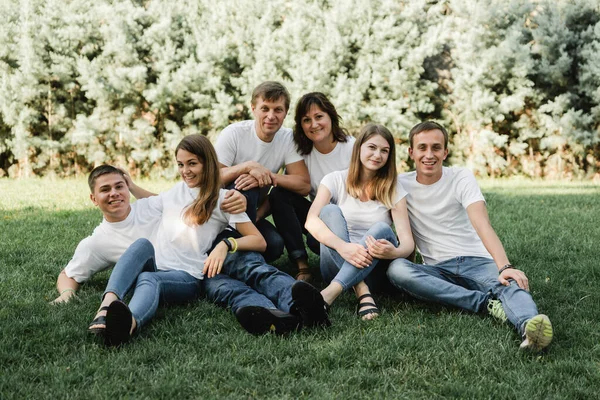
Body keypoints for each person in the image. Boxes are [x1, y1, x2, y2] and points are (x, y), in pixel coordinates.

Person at [87, 135, 329, 346]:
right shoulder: (175, 192)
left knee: (151, 278)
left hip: (189, 274)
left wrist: (227, 244)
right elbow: (155, 199)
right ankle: (108, 304)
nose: (185, 171)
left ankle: (130, 323)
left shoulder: (223, 199)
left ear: (207, 163)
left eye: (192, 163)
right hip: (166, 266)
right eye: (181, 164)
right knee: (142, 247)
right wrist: (130, 186)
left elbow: (258, 241)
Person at [386, 121, 553, 351]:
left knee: (509, 282)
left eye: (436, 147)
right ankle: (485, 304)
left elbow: (482, 223)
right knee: (397, 270)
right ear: (411, 152)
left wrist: (504, 266)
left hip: (476, 260)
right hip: (437, 269)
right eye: (422, 148)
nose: (429, 154)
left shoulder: (460, 177)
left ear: (445, 151)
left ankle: (530, 328)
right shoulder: (400, 184)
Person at [51, 166, 246, 305]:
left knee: (237, 282)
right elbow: (68, 274)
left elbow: (188, 197)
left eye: (119, 186)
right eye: (105, 190)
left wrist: (235, 196)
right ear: (93, 199)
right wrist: (67, 294)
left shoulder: (149, 207)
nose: (114, 193)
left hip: (194, 264)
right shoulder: (97, 242)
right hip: (156, 278)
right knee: (142, 249)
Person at [305, 124, 415, 320]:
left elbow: (407, 242)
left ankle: (328, 295)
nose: (377, 155)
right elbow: (310, 221)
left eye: (384, 151)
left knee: (381, 228)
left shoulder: (393, 188)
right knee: (329, 211)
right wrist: (343, 247)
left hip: (374, 268)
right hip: (335, 264)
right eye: (372, 147)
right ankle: (362, 292)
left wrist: (395, 252)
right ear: (359, 148)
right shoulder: (334, 180)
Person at [214, 81, 311, 262]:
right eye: (265, 108)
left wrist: (267, 176)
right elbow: (211, 180)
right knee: (246, 180)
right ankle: (236, 248)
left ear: (286, 113)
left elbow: (303, 185)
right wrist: (248, 167)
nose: (271, 116)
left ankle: (240, 247)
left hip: (249, 216)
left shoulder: (287, 138)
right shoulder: (234, 133)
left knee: (274, 245)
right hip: (219, 210)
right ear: (253, 109)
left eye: (278, 110)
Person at [269, 92, 355, 282]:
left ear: (331, 117)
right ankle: (302, 265)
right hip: (318, 219)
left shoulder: (352, 148)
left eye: (319, 117)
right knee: (280, 193)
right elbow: (284, 192)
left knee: (321, 236)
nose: (314, 125)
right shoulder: (302, 153)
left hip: (351, 221)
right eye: (307, 120)